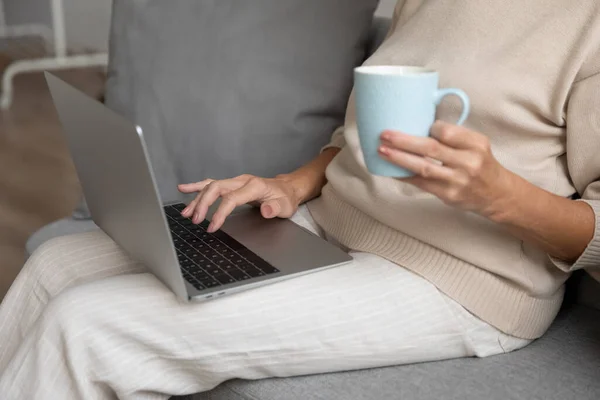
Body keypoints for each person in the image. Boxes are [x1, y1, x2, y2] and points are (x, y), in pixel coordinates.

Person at [1, 1, 600, 398]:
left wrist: (499, 195)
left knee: (87, 326)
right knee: (57, 266)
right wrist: (289, 184)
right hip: (331, 222)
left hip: (459, 280)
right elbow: (367, 137)